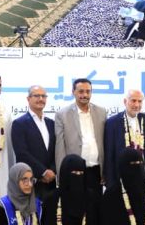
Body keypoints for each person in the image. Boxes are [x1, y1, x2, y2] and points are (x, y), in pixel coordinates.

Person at [54, 79, 106, 225]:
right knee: (75, 212)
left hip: (96, 171)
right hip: (75, 174)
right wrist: (61, 176)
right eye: (81, 91)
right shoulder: (62, 114)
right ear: (73, 92)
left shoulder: (101, 112)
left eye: (88, 91)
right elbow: (60, 147)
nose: (85, 95)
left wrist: (105, 171)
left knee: (94, 212)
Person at [10, 86, 56, 225]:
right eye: (36, 96)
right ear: (28, 99)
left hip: (51, 182)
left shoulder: (51, 123)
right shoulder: (19, 123)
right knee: (32, 219)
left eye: (43, 96)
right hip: (31, 181)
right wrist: (43, 172)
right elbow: (21, 153)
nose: (41, 99)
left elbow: (56, 150)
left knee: (50, 219)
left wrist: (52, 171)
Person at [103, 89, 145, 189]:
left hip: (142, 172)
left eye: (140, 101)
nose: (137, 105)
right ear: (125, 101)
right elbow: (109, 154)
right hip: (121, 174)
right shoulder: (112, 122)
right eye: (133, 100)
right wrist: (110, 181)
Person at [100, 147, 145, 225]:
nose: (138, 167)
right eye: (133, 164)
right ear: (123, 167)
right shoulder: (111, 194)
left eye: (140, 163)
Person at [57, 154, 88, 225]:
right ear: (65, 173)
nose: (78, 176)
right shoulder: (53, 200)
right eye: (75, 173)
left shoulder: (90, 201)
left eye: (81, 173)